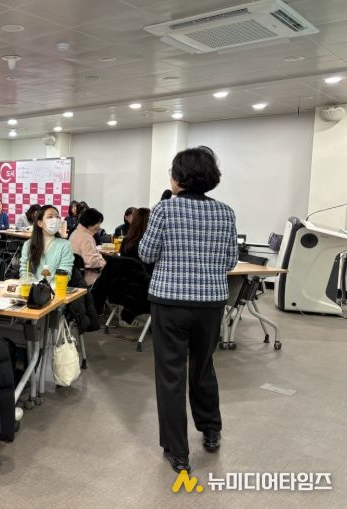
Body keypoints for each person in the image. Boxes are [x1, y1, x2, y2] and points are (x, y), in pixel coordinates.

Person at [139, 146, 237, 474]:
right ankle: (211, 430)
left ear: (179, 177)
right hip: (210, 303)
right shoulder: (225, 212)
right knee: (203, 366)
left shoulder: (165, 209)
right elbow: (230, 261)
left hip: (170, 302)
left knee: (171, 375)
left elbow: (146, 253)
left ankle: (178, 451)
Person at [19, 205, 74, 283]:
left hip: (56, 288)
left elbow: (65, 272)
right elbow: (24, 270)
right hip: (32, 288)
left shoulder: (65, 245)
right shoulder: (28, 245)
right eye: (50, 217)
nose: (55, 220)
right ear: (40, 223)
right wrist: (33, 285)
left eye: (57, 217)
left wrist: (49, 286)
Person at [69, 207, 106, 286]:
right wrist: (103, 264)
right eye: (98, 223)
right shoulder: (87, 238)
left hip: (76, 276)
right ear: (90, 222)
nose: (99, 226)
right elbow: (92, 262)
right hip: (89, 278)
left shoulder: (75, 233)